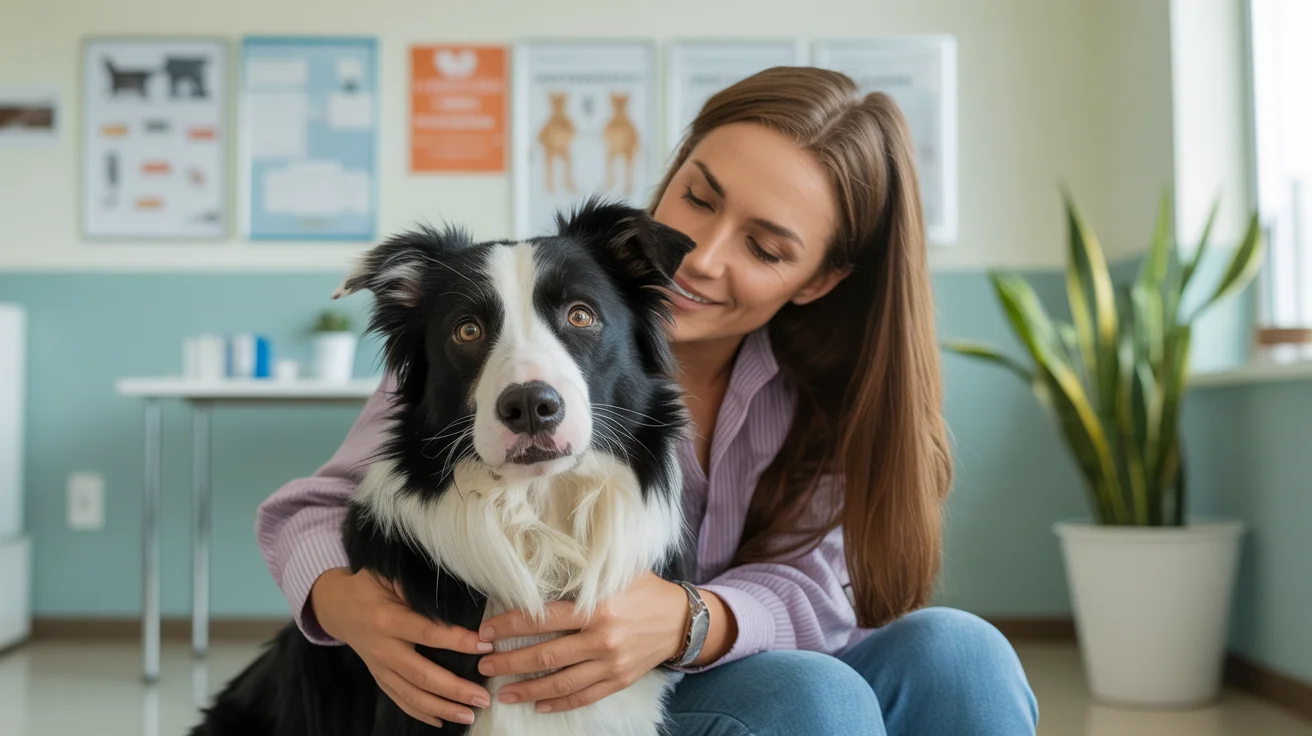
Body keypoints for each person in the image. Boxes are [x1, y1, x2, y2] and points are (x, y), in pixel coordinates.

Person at [255, 66, 1039, 735]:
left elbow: (823, 591)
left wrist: (691, 620)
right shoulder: (498, 342)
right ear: (675, 169)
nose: (699, 259)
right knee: (815, 697)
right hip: (599, 691)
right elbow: (316, 506)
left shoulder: (834, 394)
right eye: (698, 197)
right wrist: (348, 607)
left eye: (766, 248)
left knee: (961, 653)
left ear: (822, 279)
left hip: (718, 660)